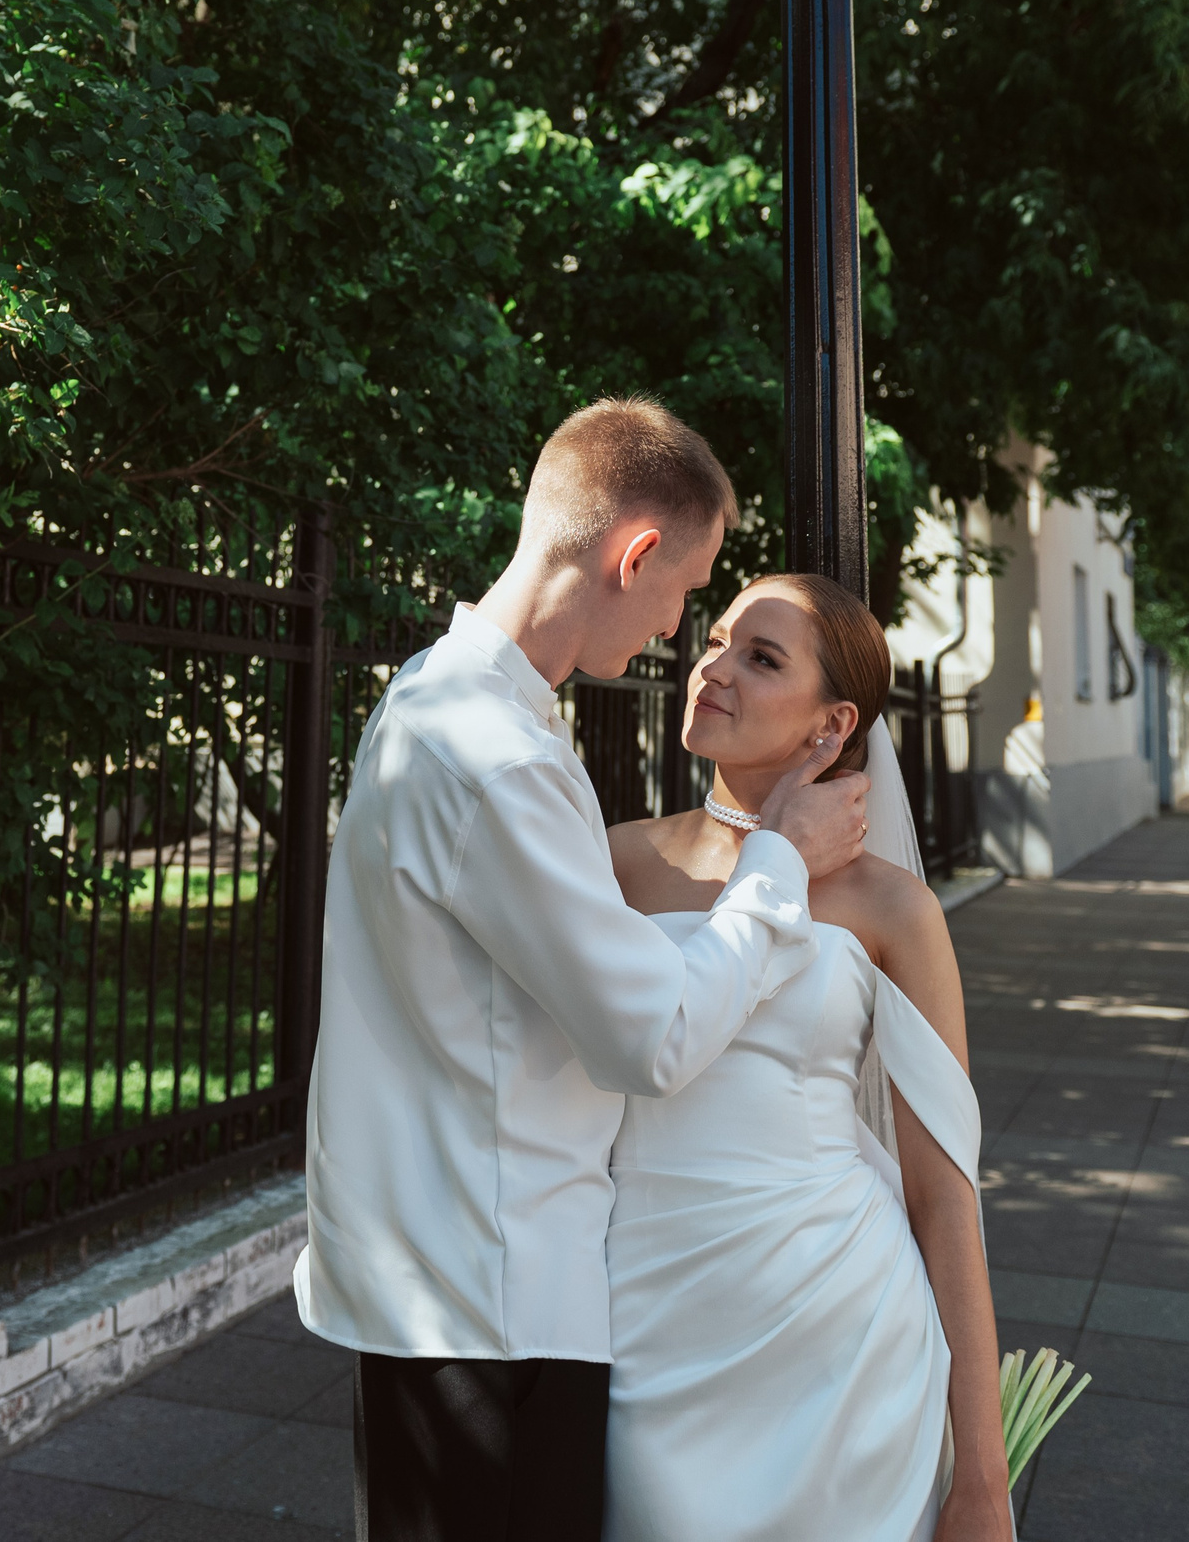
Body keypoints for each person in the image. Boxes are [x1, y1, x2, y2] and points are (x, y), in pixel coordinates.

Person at [296, 398, 871, 1540]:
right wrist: (777, 865)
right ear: (636, 552)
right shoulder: (500, 758)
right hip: (492, 1300)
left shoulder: (431, 694)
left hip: (441, 1279)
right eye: (686, 592)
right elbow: (650, 1038)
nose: (678, 632)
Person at [603, 575, 1011, 1542]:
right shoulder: (611, 862)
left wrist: (982, 1480)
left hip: (840, 1329)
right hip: (639, 1315)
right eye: (717, 641)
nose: (715, 667)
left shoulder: (892, 908)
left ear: (832, 725)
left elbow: (944, 1193)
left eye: (761, 657)